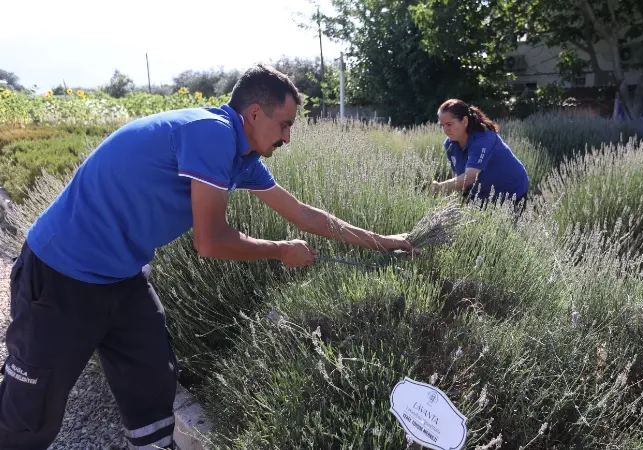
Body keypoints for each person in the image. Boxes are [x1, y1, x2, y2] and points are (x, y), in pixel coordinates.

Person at [0, 63, 416, 450]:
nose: (288, 138)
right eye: (285, 125)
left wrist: (385, 242)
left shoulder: (243, 157)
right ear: (255, 114)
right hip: (60, 273)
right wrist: (280, 250)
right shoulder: (211, 133)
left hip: (122, 276)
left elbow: (304, 215)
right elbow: (210, 241)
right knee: (29, 411)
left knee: (152, 382)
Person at [429, 99, 529, 212]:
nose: (445, 130)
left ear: (464, 121)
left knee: (506, 223)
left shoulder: (483, 138)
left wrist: (439, 188)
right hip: (482, 195)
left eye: (449, 124)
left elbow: (470, 177)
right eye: (442, 125)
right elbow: (458, 179)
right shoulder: (450, 144)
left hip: (511, 192)